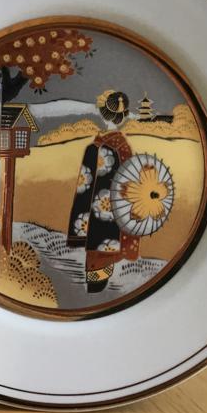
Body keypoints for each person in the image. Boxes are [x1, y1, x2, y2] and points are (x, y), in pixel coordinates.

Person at [66, 90, 140, 293]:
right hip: (118, 215)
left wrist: (79, 228)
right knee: (106, 252)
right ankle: (99, 287)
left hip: (96, 214)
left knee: (96, 255)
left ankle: (94, 287)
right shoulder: (124, 147)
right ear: (123, 117)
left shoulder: (95, 148)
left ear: (103, 114)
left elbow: (84, 187)